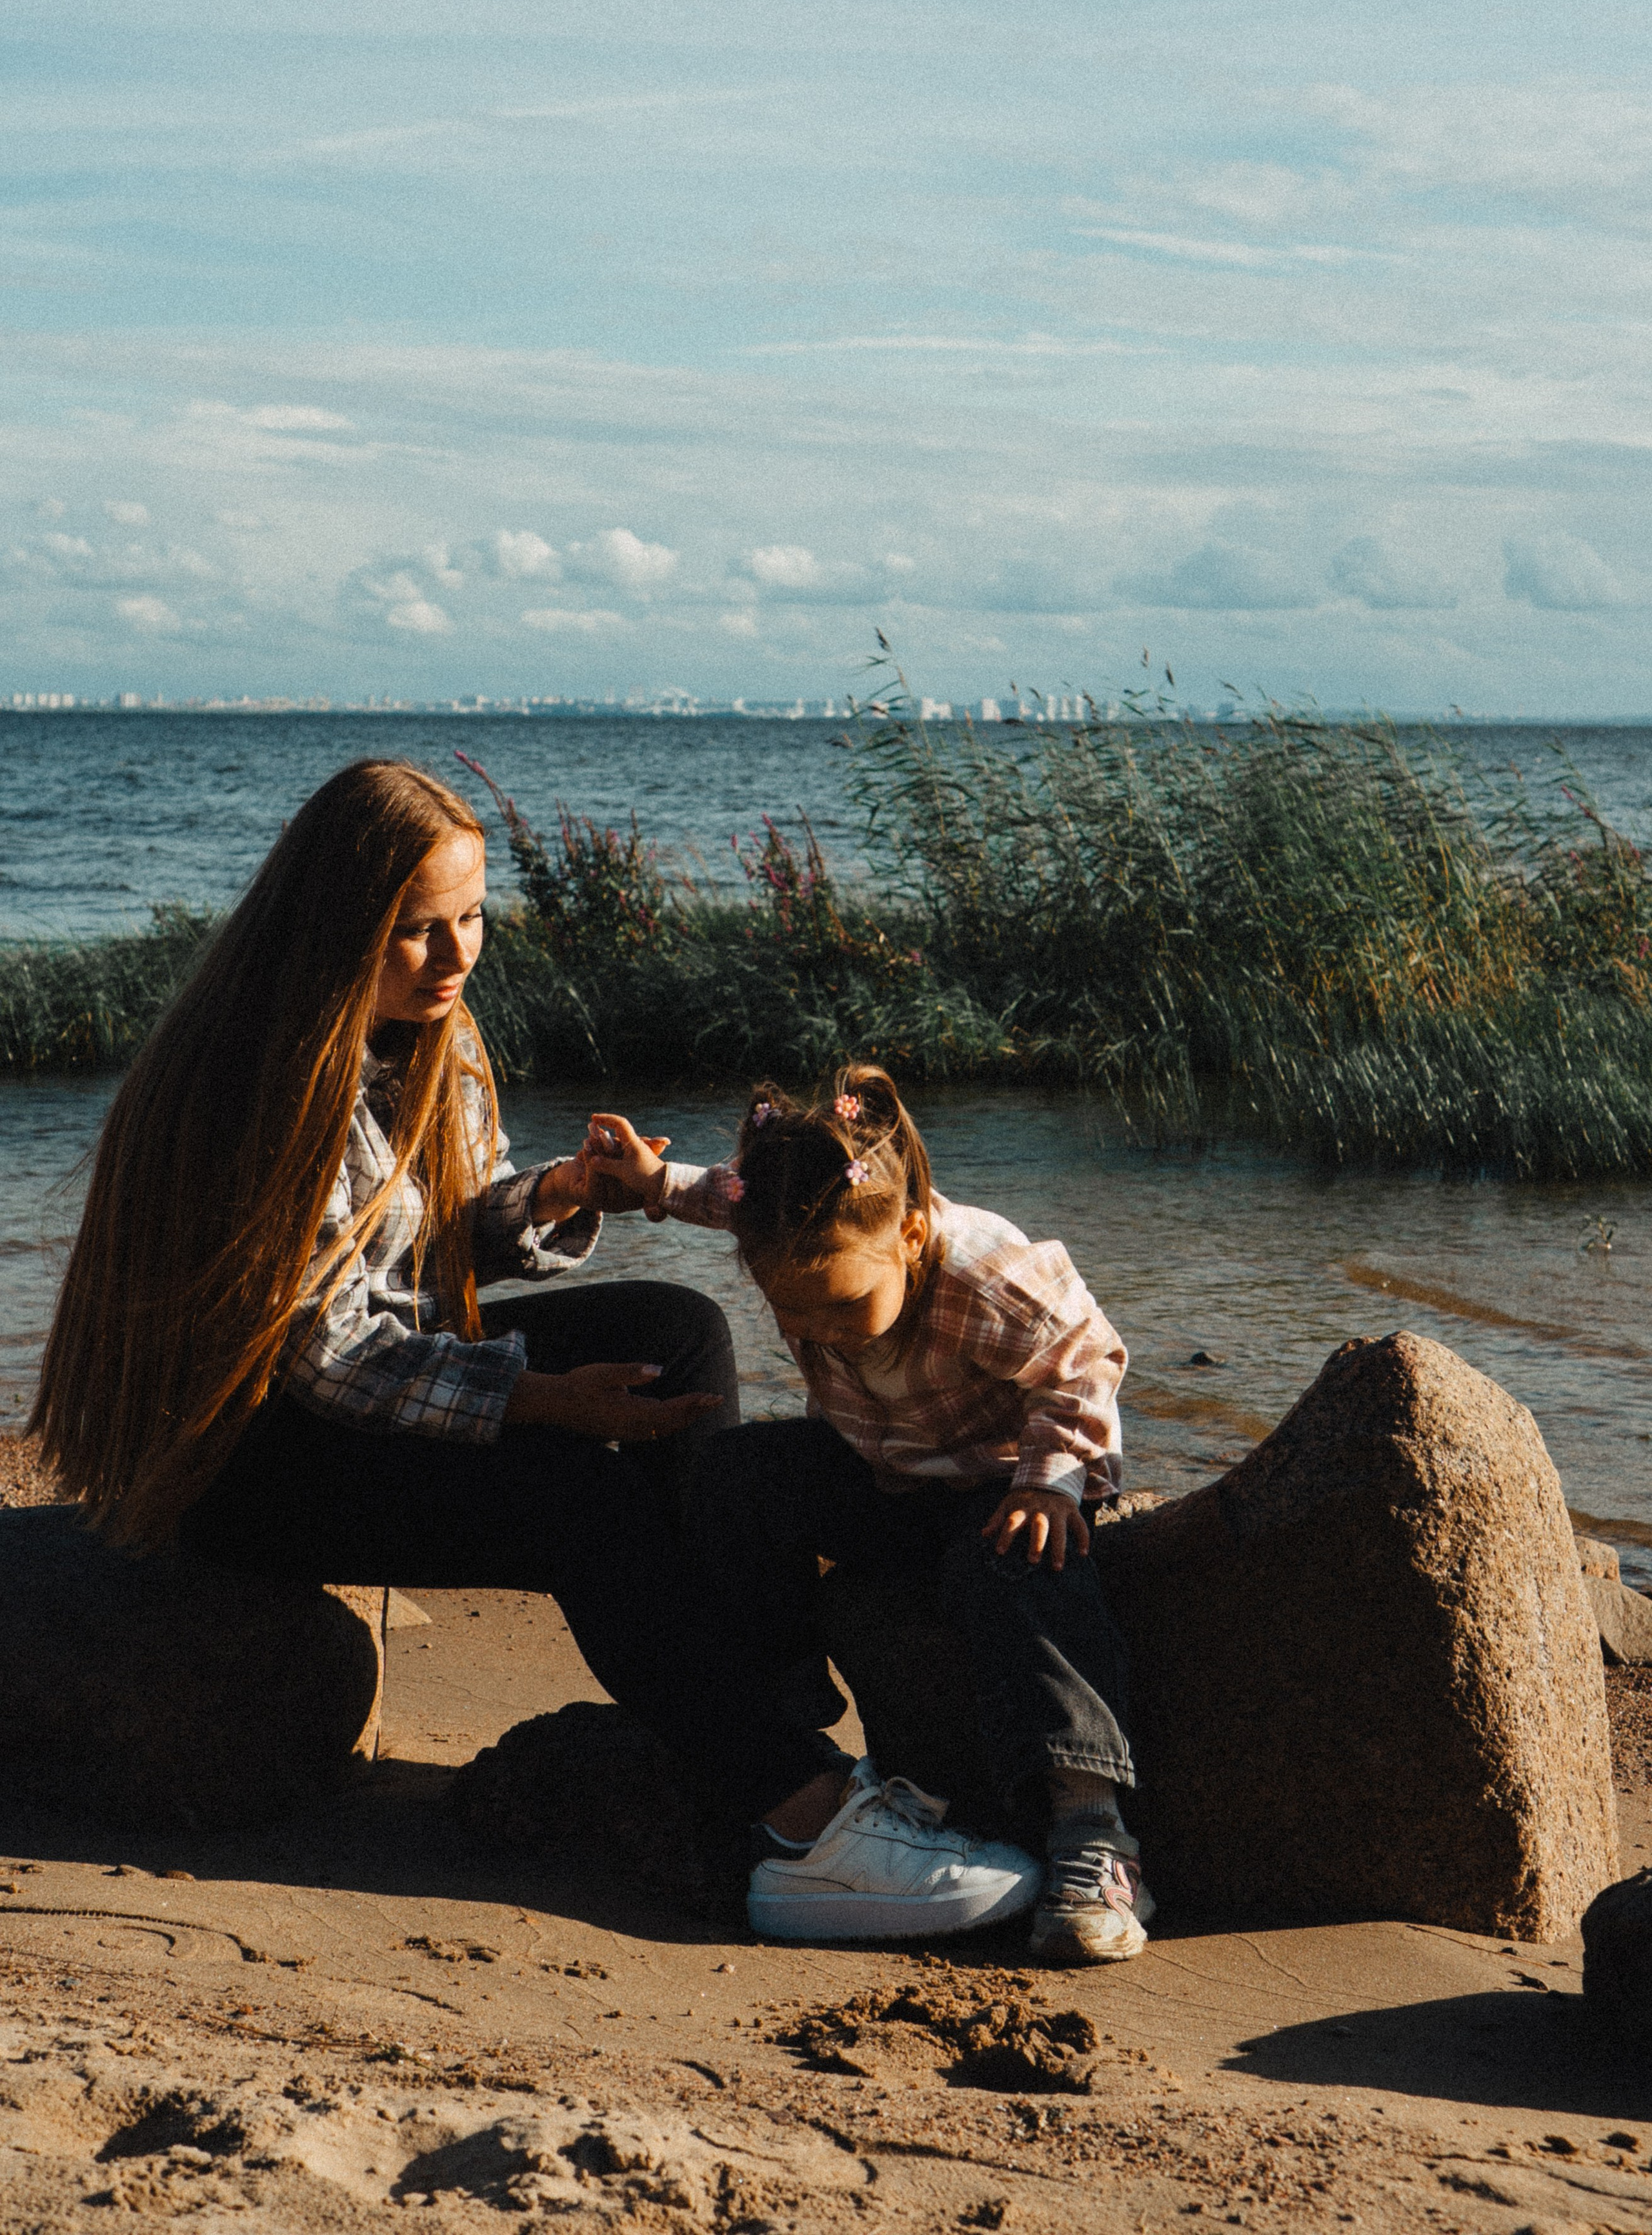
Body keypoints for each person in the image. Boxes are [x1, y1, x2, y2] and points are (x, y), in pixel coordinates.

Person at [29, 758, 1034, 1939]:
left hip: (343, 1383)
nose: (455, 957)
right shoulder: (265, 1080)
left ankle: (746, 1711)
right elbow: (329, 1353)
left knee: (678, 1332)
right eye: (416, 932)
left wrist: (553, 1197)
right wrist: (540, 1401)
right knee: (571, 1490)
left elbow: (410, 1252)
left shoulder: (423, 1034)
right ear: (338, 926)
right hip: (233, 1455)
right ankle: (801, 1817)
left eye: (472, 919)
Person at [585, 1062, 1153, 1962]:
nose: (816, 1330)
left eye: (843, 1305)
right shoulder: (791, 1225)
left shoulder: (981, 1273)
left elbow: (1084, 1359)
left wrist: (1051, 1481)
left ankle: (1092, 1837)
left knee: (1020, 1567)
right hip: (882, 1478)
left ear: (913, 1235)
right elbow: (726, 1195)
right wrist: (652, 1183)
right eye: (790, 1312)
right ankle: (792, 1727)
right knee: (735, 1476)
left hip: (996, 1485)